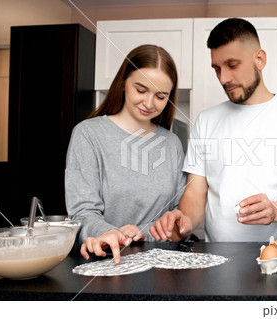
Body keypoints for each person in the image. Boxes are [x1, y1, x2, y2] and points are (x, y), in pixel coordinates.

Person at [150, 18, 277, 242]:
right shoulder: (206, 121)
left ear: (260, 59)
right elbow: (196, 193)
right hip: (218, 260)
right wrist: (184, 219)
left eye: (233, 65)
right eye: (217, 69)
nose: (224, 78)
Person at [65, 45, 186, 263]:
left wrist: (144, 233)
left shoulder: (172, 143)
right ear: (123, 84)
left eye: (160, 96)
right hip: (105, 261)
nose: (149, 103)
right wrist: (110, 234)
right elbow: (82, 211)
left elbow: (177, 213)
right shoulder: (88, 134)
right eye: (141, 90)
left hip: (161, 268)